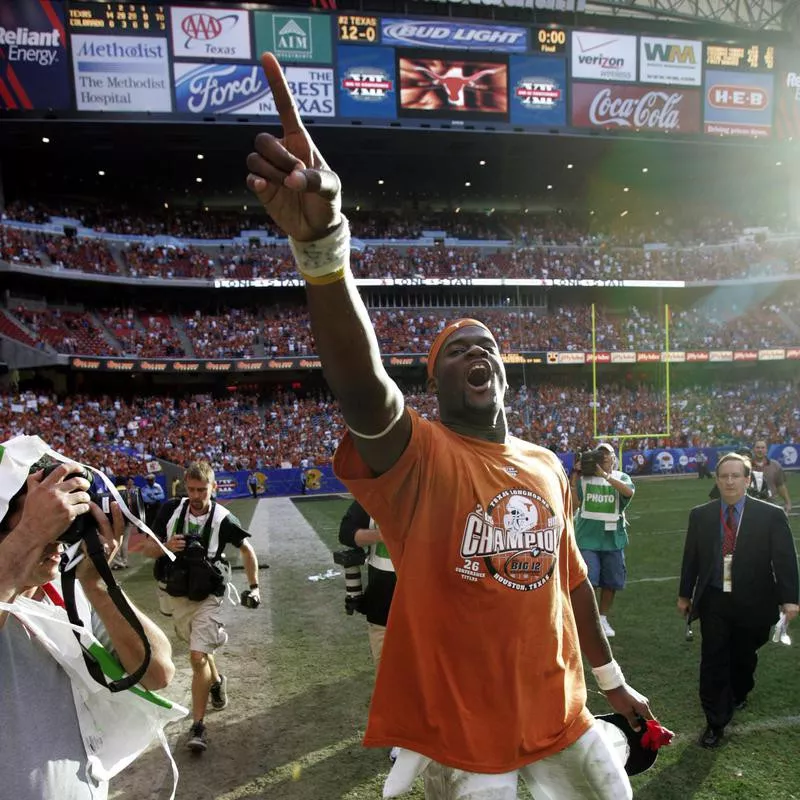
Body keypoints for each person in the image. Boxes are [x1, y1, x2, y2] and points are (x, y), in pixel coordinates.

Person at [245, 52, 655, 800]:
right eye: (458, 350)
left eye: (488, 348)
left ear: (503, 372)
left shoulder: (545, 464)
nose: (479, 355)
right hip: (468, 744)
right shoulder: (420, 457)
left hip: (563, 719)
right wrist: (324, 253)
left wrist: (614, 683)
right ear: (432, 384)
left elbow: (575, 588)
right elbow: (363, 390)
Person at [0, 443, 175, 800]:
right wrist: (30, 538)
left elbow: (157, 672)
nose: (60, 533)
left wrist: (96, 583)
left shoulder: (63, 595)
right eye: (46, 514)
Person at [678, 452, 799, 749]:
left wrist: (790, 599)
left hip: (755, 599)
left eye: (736, 476)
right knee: (714, 658)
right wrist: (685, 593)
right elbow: (690, 558)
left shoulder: (770, 515)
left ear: (747, 480)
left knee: (744, 654)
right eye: (724, 476)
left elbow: (784, 559)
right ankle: (715, 722)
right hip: (715, 600)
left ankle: (740, 689)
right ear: (717, 481)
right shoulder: (701, 515)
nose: (730, 481)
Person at [141, 460, 261, 753]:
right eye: (191, 489)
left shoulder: (223, 518)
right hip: (179, 592)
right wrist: (167, 546)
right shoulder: (170, 510)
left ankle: (198, 726)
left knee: (196, 657)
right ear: (185, 486)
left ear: (213, 487)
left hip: (210, 593)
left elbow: (246, 549)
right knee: (200, 651)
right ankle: (216, 681)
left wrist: (255, 587)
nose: (196, 495)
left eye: (202, 489)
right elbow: (146, 549)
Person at [571, 443, 635, 638]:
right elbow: (574, 504)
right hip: (587, 538)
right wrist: (576, 473)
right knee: (589, 581)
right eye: (600, 455)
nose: (604, 458)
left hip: (612, 539)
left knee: (611, 581)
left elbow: (628, 492)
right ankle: (587, 620)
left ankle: (602, 617)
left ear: (614, 458)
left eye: (607, 455)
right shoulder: (584, 479)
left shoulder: (621, 477)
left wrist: (605, 476)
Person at [338, 499, 396, 666]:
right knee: (386, 672)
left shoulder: (432, 494)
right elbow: (346, 533)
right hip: (383, 606)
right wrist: (380, 535)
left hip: (425, 608)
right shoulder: (373, 496)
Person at [752, 439, 792, 513]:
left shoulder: (775, 465)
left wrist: (788, 502)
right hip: (751, 505)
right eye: (757, 447)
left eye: (763, 447)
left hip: (771, 504)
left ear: (766, 449)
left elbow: (781, 486)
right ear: (753, 449)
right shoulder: (746, 465)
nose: (760, 450)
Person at [112, 477, 144, 570]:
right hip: (128, 519)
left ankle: (118, 562)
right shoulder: (128, 492)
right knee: (125, 541)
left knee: (117, 541)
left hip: (116, 519)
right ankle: (124, 561)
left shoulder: (112, 491)